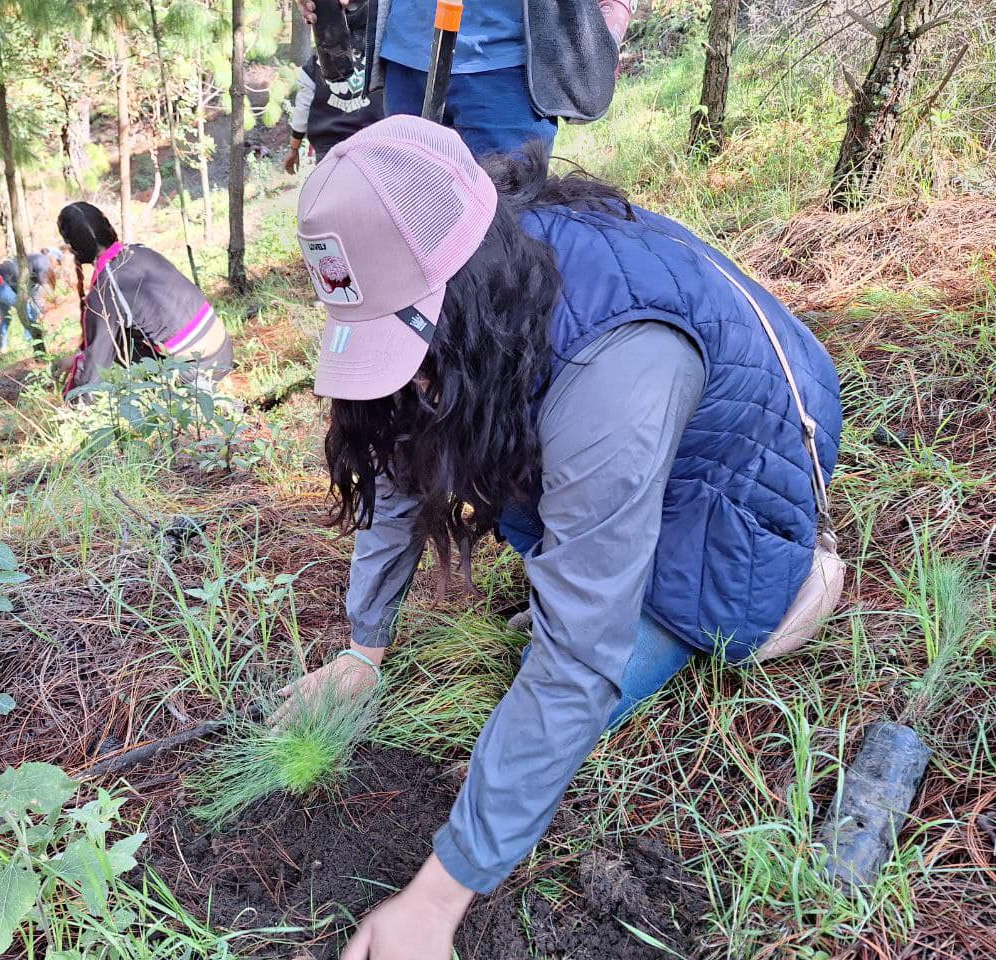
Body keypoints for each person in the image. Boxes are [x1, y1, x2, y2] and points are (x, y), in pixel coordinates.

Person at [282, 116, 842, 959]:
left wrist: (438, 896)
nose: (404, 378)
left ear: (463, 301)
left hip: (745, 472)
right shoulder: (485, 280)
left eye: (410, 346)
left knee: (590, 659)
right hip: (638, 427)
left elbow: (577, 655)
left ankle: (800, 585)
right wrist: (364, 648)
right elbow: (396, 445)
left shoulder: (614, 374)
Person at [301, 0, 634, 158]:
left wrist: (614, 15)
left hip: (508, 69)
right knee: (418, 231)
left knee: (510, 237)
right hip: (405, 59)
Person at [56, 202, 233, 393]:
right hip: (224, 351)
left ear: (74, 248)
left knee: (117, 341)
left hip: (198, 369)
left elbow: (95, 368)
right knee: (121, 334)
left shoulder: (105, 288)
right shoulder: (140, 251)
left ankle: (184, 392)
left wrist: (73, 403)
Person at [285, 0, 386, 174]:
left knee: (331, 198)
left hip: (329, 151)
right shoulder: (381, 58)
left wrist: (294, 148)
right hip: (375, 145)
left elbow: (302, 108)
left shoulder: (313, 67)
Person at [0, 248, 61, 353]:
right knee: (25, 308)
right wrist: (54, 299)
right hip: (1, 283)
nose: (56, 267)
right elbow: (44, 286)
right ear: (53, 257)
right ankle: (30, 342)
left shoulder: (33, 267)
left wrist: (40, 310)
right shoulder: (43, 261)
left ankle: (2, 348)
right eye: (58, 262)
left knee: (6, 317)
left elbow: (35, 294)